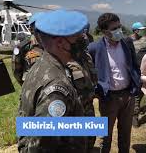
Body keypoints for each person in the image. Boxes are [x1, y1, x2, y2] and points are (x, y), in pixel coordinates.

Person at [18, 10, 91, 152]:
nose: (83, 40)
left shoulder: (40, 65)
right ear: (60, 43)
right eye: (77, 37)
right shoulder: (56, 88)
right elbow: (41, 147)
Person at [88, 13, 141, 153]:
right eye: (115, 28)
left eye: (120, 26)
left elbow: (134, 65)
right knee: (106, 136)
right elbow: (88, 72)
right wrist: (97, 91)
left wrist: (135, 85)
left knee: (125, 135)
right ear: (105, 32)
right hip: (108, 98)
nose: (119, 31)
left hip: (128, 96)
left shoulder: (127, 43)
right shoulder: (94, 48)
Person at [12, 12, 44, 85]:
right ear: (31, 29)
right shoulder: (22, 47)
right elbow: (16, 71)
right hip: (31, 86)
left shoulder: (54, 44)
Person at [131, 25, 146, 128]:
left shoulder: (133, 42)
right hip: (145, 74)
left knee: (137, 96)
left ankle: (134, 118)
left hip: (137, 73)